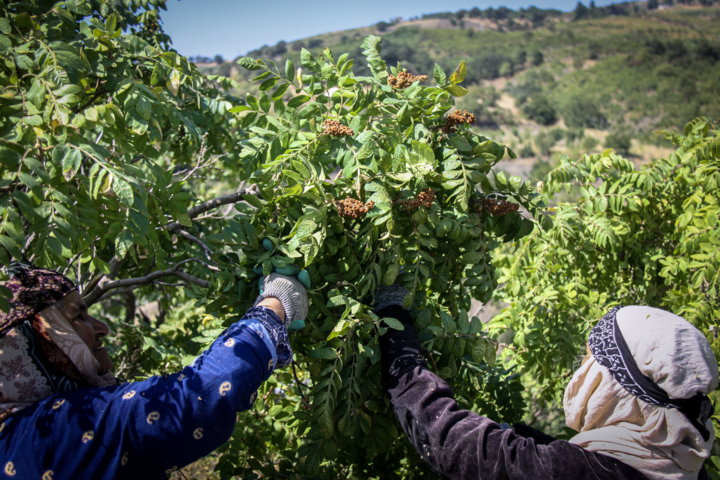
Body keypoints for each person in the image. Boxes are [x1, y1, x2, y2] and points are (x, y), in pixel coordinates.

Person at [0, 260, 308, 479]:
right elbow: (196, 397)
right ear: (40, 339)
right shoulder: (53, 428)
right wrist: (275, 305)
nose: (101, 327)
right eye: (77, 317)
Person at [374, 284, 718, 480]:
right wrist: (528, 436)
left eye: (593, 362)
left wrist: (395, 328)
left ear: (619, 389)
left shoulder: (570, 472)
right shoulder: (688, 466)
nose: (582, 368)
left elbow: (448, 440)